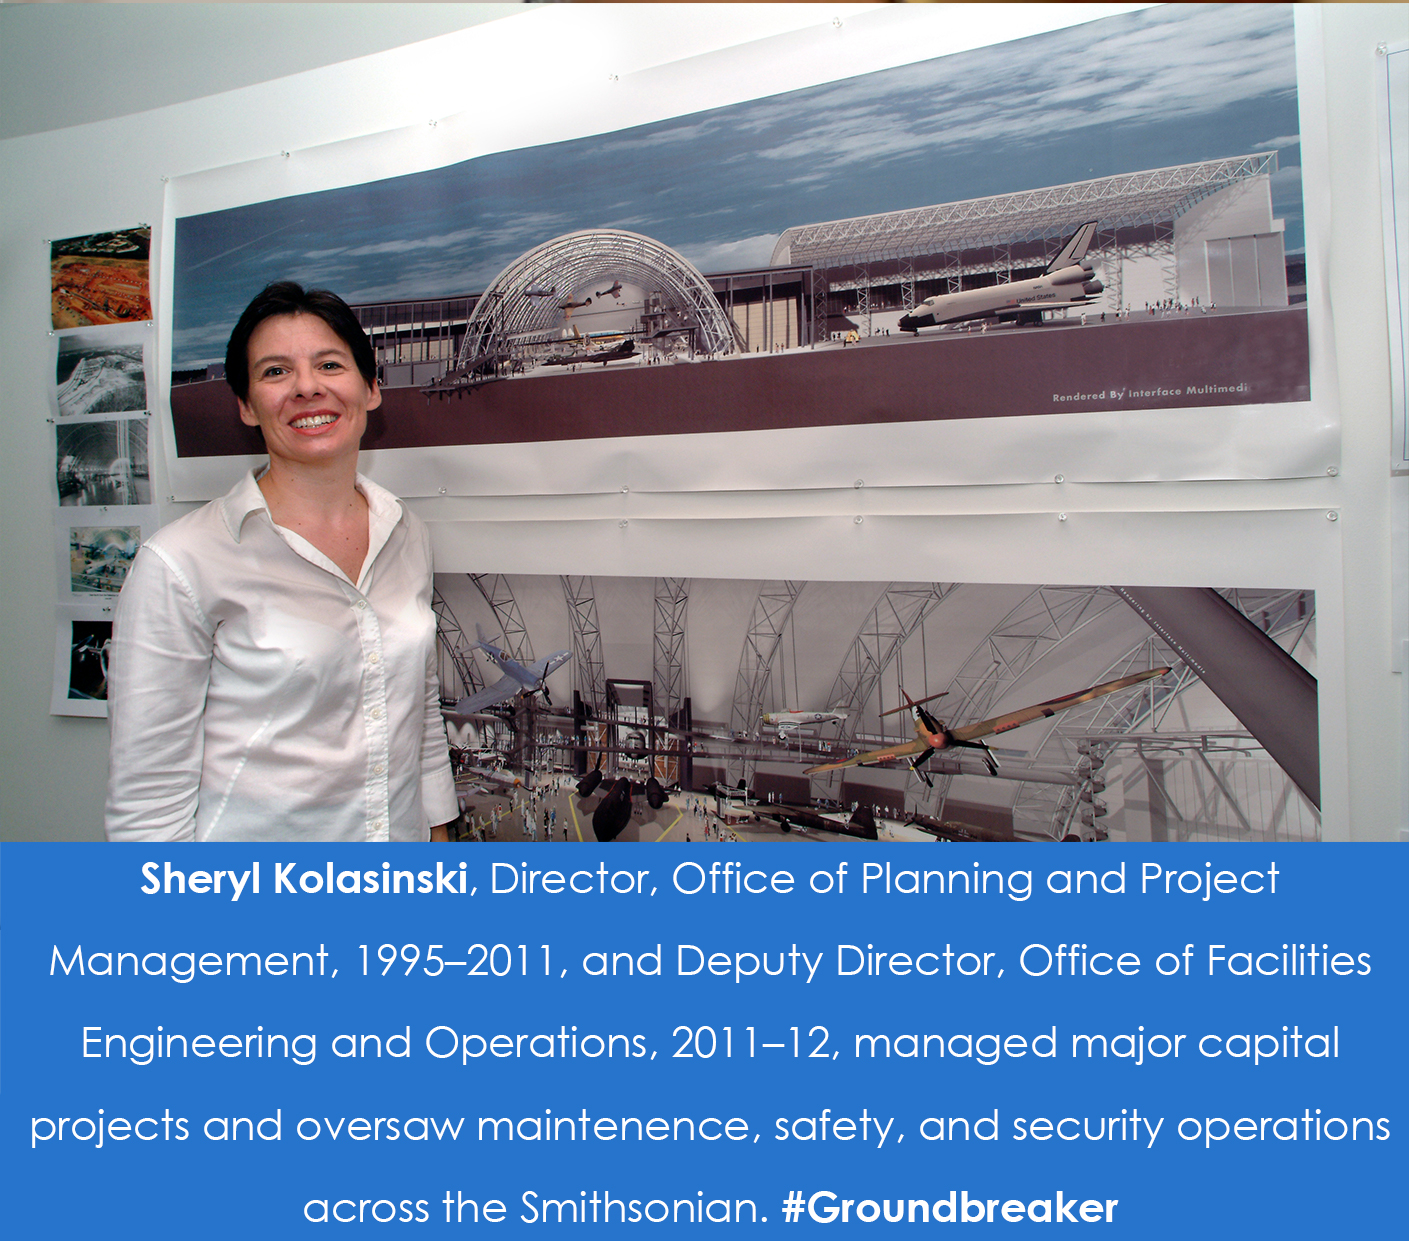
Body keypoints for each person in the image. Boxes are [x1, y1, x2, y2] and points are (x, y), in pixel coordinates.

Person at [105, 282, 457, 841]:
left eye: (329, 364)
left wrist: (438, 831)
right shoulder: (179, 563)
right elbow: (146, 807)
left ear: (370, 389)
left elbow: (417, 703)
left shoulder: (405, 532)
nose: (307, 388)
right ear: (246, 405)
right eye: (275, 372)